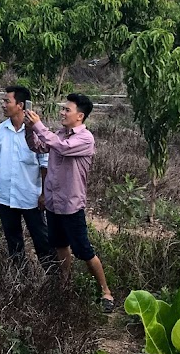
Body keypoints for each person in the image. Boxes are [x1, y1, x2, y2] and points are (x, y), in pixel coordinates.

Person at [24, 93, 114, 311]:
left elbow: (62, 147)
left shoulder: (84, 138)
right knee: (60, 245)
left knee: (83, 250)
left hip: (71, 205)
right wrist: (29, 129)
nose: (62, 113)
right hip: (54, 203)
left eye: (67, 110)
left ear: (80, 116)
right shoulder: (59, 133)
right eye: (62, 109)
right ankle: (64, 284)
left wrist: (38, 125)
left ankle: (106, 292)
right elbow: (38, 147)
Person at [0, 86, 53, 271]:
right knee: (13, 240)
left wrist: (43, 193)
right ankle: (19, 278)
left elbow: (44, 163)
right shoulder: (0, 130)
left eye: (7, 101)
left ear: (20, 105)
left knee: (41, 239)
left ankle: (54, 279)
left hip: (30, 196)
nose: (3, 105)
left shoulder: (37, 131)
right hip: (5, 195)